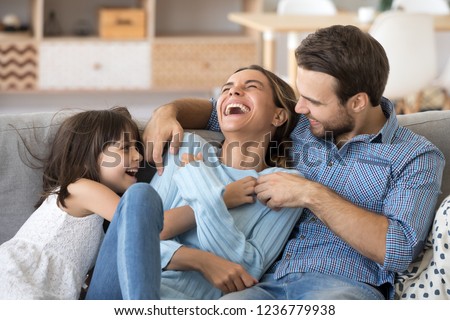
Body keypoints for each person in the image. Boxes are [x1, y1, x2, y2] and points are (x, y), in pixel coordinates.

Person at [142, 25, 445, 300]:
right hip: (266, 283)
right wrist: (167, 112)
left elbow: (399, 249)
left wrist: (311, 194)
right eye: (300, 96)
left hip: (343, 285)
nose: (300, 107)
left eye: (313, 101)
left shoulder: (415, 156)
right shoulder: (301, 123)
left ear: (357, 102)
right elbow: (219, 112)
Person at [86, 65, 303, 299]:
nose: (233, 93)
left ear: (278, 116)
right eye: (227, 89)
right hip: (117, 288)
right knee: (139, 195)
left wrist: (203, 191)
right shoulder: (188, 147)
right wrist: (201, 261)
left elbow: (245, 269)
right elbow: (139, 235)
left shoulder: (283, 185)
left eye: (250, 87)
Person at [0, 107, 163, 299]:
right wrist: (194, 212)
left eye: (137, 147)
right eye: (126, 148)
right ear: (87, 158)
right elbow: (144, 226)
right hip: (17, 280)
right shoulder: (80, 189)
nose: (139, 157)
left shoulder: (98, 216)